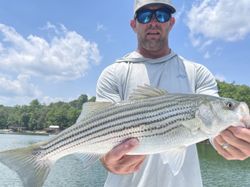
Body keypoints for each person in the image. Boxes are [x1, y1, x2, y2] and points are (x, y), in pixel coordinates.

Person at [95, 0, 250, 186]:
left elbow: (213, 133)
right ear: (133, 24)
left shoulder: (197, 73)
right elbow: (98, 132)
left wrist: (228, 143)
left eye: (162, 15)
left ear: (171, 22)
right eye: (145, 16)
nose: (153, 22)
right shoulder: (113, 74)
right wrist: (107, 161)